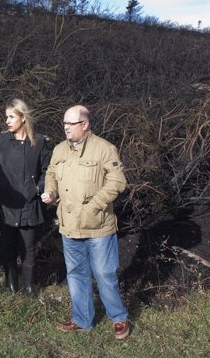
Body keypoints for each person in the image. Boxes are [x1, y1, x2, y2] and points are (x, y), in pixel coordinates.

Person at [41, 105, 130, 340]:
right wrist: (50, 192)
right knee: (77, 274)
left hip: (98, 227)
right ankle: (82, 320)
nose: (66, 128)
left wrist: (94, 205)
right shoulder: (60, 150)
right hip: (69, 227)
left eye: (71, 124)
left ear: (85, 124)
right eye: (64, 124)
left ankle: (118, 318)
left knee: (104, 273)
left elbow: (118, 182)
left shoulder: (104, 149)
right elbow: (51, 173)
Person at [0, 98, 49, 297]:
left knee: (28, 247)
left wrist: (37, 190)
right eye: (6, 117)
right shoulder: (1, 141)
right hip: (6, 203)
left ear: (23, 117)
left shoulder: (39, 142)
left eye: (11, 117)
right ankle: (12, 287)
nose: (7, 121)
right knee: (8, 246)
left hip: (29, 203)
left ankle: (29, 289)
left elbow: (48, 171)